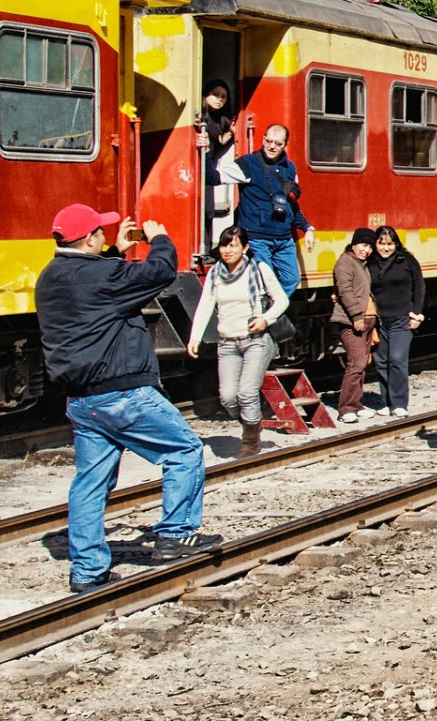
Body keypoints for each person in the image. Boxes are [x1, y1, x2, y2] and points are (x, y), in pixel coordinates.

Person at [37, 206, 218, 594]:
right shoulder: (103, 276)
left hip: (82, 402)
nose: (105, 235)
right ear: (88, 239)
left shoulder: (49, 278)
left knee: (90, 482)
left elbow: (96, 288)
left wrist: (116, 253)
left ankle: (87, 570)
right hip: (122, 393)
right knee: (185, 450)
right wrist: (161, 238)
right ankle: (174, 534)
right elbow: (159, 272)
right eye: (101, 232)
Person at [186, 225, 288, 458]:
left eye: (233, 245)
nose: (227, 250)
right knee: (229, 397)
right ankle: (252, 424)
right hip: (227, 343)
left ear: (245, 248)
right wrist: (195, 337)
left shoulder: (259, 270)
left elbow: (281, 300)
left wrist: (265, 318)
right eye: (224, 245)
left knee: (247, 392)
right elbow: (205, 306)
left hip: (255, 341)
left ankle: (250, 442)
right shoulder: (214, 273)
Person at [218, 123, 317, 298]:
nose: (272, 146)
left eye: (278, 143)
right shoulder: (248, 163)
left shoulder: (290, 168)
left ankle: (268, 313)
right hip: (257, 237)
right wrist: (209, 147)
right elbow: (215, 176)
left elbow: (291, 205)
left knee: (291, 280)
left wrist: (307, 228)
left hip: (284, 239)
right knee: (265, 281)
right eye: (269, 141)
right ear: (263, 139)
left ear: (285, 144)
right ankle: (261, 315)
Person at [367, 225, 425, 418]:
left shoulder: (407, 261)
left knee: (397, 359)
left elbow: (420, 286)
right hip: (379, 320)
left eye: (390, 244)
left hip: (402, 318)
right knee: (381, 361)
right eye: (381, 243)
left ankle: (399, 403)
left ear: (396, 244)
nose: (386, 248)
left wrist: (416, 313)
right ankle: (386, 402)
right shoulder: (370, 263)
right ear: (375, 244)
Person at [330, 228, 378, 423]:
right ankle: (346, 408)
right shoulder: (345, 263)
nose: (366, 250)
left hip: (367, 319)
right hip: (353, 320)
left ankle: (356, 404)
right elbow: (345, 291)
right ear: (354, 244)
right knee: (356, 363)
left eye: (369, 247)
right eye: (363, 245)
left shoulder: (361, 264)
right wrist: (357, 316)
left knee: (362, 364)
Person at [194, 79, 235, 254]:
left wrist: (231, 133)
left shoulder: (219, 119)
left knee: (208, 208)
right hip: (197, 163)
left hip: (208, 162)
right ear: (205, 94)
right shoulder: (200, 117)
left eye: (224, 97)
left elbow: (217, 143)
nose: (220, 99)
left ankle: (207, 247)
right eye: (216, 94)